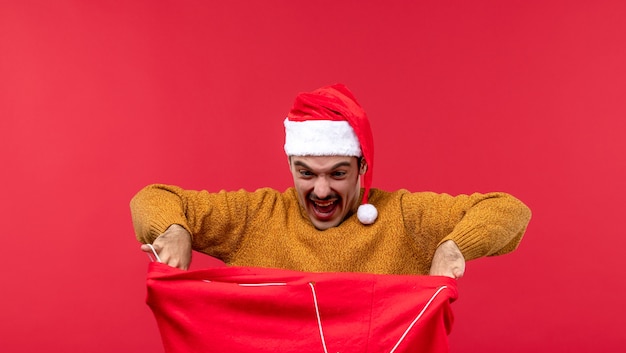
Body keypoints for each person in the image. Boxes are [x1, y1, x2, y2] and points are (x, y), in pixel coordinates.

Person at [130, 84, 531, 278]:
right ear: (290, 165)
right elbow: (152, 197)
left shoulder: (405, 217)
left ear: (362, 169)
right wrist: (175, 229)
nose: (321, 191)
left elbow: (509, 210)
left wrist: (452, 246)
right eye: (306, 173)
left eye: (338, 173)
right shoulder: (256, 217)